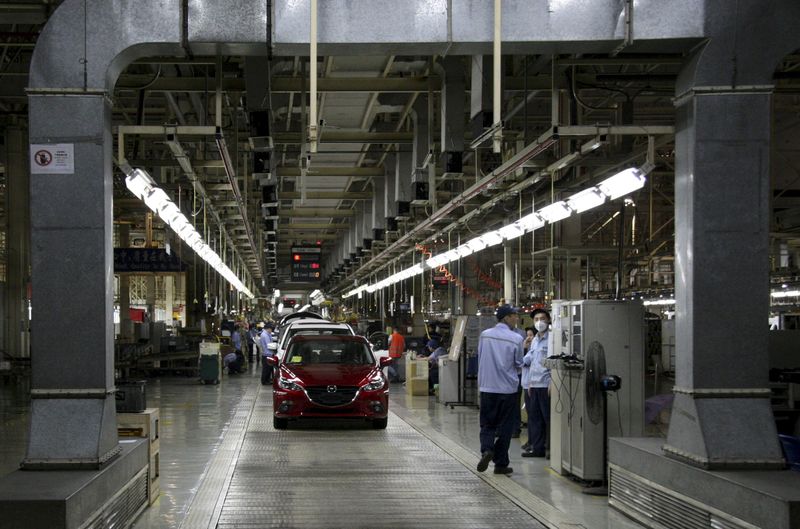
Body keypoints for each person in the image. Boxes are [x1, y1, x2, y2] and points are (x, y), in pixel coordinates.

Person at [476, 304, 525, 476]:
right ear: (506, 318)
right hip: (508, 390)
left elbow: (481, 356)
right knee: (505, 427)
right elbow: (519, 363)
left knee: (488, 424)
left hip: (488, 387)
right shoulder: (517, 339)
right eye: (514, 316)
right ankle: (501, 463)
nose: (516, 319)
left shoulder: (485, 336)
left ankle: (487, 450)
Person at [522, 308, 552, 458]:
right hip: (533, 385)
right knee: (534, 419)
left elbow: (554, 360)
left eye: (542, 318)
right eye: (536, 319)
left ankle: (551, 449)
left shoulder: (553, 339)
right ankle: (537, 449)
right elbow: (529, 360)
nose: (539, 322)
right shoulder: (534, 340)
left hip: (546, 385)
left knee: (548, 419)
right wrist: (523, 348)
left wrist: (553, 382)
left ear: (549, 320)